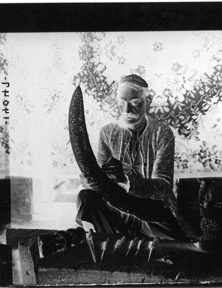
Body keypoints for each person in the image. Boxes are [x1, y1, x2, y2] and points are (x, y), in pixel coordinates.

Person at [76, 74, 188, 241]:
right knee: (86, 197)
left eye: (135, 103)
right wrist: (91, 179)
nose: (127, 110)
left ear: (147, 102)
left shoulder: (161, 132)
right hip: (118, 209)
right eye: (122, 104)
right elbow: (100, 180)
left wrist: (128, 182)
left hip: (152, 214)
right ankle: (97, 240)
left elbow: (164, 187)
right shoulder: (107, 133)